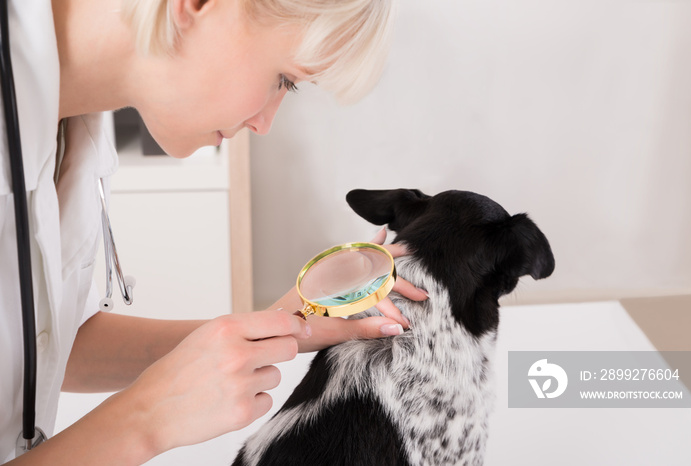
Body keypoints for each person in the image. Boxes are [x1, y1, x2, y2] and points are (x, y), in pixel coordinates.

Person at [0, 0, 429, 463]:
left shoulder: (74, 123)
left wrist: (280, 326)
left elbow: (45, 345)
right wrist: (146, 418)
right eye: (283, 79)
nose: (264, 124)